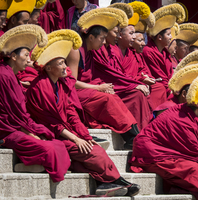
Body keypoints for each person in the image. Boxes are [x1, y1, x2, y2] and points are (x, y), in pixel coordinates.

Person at [27, 29, 141, 197]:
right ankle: (114, 181)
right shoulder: (40, 88)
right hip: (52, 134)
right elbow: (51, 123)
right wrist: (75, 138)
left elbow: (71, 113)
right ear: (49, 68)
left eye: (64, 62)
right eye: (61, 64)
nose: (66, 67)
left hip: (66, 132)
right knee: (93, 152)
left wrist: (84, 135)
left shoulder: (60, 84)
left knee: (91, 147)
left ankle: (107, 182)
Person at [130, 73, 198, 200]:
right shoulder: (182, 120)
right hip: (150, 151)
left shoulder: (186, 110)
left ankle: (183, 187)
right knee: (193, 168)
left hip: (164, 146)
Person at [0, 24, 70, 183]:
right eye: (25, 54)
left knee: (56, 143)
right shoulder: (3, 75)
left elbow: (19, 113)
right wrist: (31, 134)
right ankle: (28, 164)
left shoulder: (11, 75)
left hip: (18, 125)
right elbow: (12, 116)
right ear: (13, 56)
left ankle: (36, 163)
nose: (29, 59)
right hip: (6, 130)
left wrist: (35, 131)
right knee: (49, 148)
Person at [65, 12, 139, 150]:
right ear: (91, 37)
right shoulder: (76, 51)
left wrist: (101, 87)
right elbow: (72, 83)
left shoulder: (89, 50)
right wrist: (98, 88)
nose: (104, 42)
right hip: (74, 93)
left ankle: (133, 134)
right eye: (102, 38)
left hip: (85, 89)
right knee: (107, 100)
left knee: (113, 96)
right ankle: (131, 136)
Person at [79, 7, 153, 131]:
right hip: (100, 86)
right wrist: (134, 84)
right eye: (116, 32)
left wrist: (137, 81)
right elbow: (108, 74)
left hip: (109, 85)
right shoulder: (95, 50)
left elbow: (116, 73)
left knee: (141, 93)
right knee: (136, 95)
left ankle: (142, 132)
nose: (118, 36)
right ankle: (136, 134)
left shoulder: (110, 50)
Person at [111, 2, 167, 110]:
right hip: (122, 87)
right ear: (120, 35)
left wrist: (146, 77)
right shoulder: (113, 51)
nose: (133, 37)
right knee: (138, 94)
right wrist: (139, 79)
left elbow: (143, 69)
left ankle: (155, 118)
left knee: (159, 88)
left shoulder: (132, 52)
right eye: (131, 34)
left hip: (134, 82)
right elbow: (117, 76)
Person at [143, 3, 186, 95]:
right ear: (159, 37)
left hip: (168, 86)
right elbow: (159, 76)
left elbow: (170, 75)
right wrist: (171, 89)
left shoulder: (165, 53)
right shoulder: (148, 51)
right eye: (168, 34)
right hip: (158, 88)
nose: (171, 37)